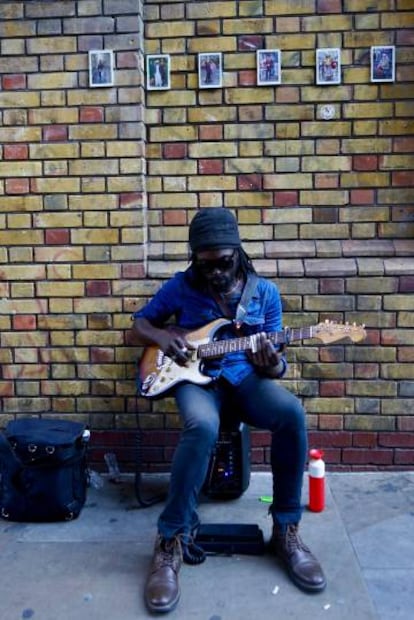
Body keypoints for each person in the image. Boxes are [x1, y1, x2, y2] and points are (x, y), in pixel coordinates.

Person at [132, 208, 326, 614]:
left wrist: (270, 361)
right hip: (195, 382)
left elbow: (276, 366)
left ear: (237, 253)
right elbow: (140, 323)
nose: (216, 272)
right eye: (206, 265)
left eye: (223, 262)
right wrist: (166, 336)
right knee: (202, 426)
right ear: (195, 259)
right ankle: (170, 541)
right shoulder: (182, 287)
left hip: (244, 380)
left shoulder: (265, 294)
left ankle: (287, 529)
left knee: (290, 414)